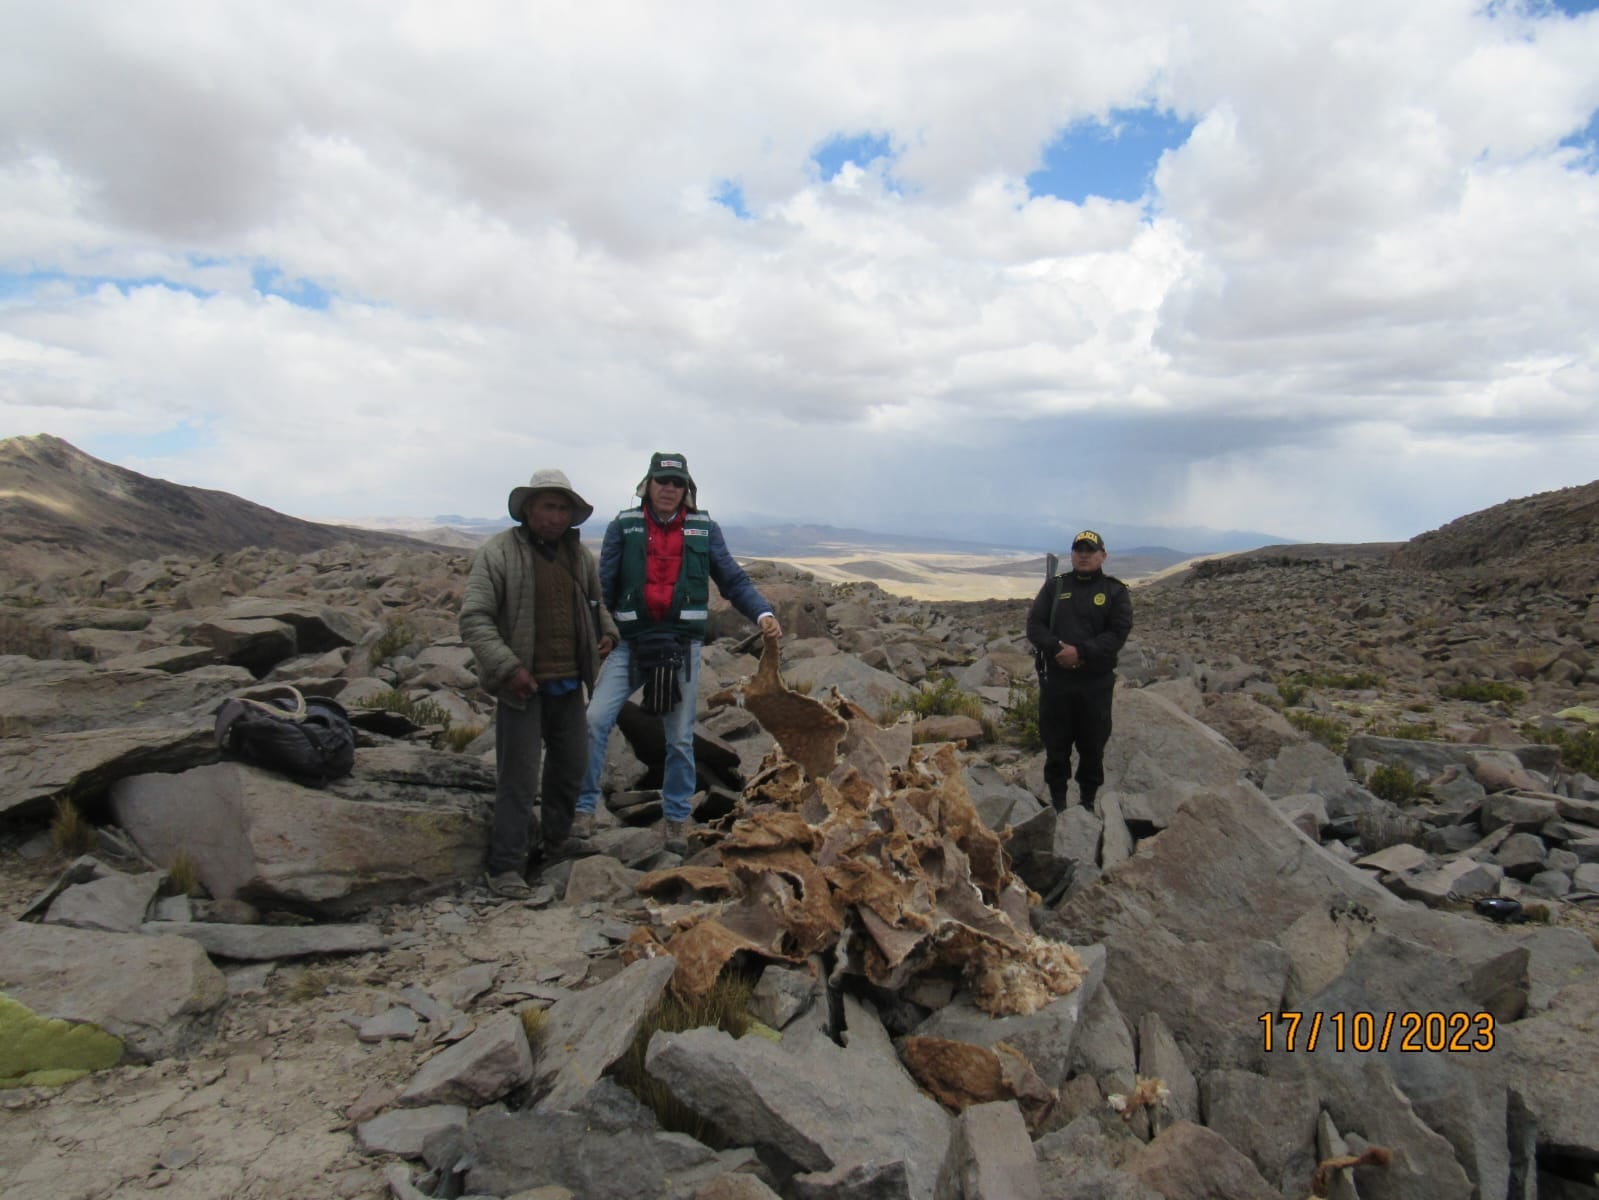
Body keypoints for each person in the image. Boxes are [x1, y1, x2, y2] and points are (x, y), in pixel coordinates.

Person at [575, 451, 781, 849]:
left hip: (680, 646)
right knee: (595, 719)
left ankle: (675, 819)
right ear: (647, 485)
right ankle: (583, 810)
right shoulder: (625, 525)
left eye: (676, 483)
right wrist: (598, 631)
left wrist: (762, 613)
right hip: (631, 642)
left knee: (680, 738)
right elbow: (602, 587)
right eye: (661, 481)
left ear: (686, 489)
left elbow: (732, 580)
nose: (668, 489)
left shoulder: (704, 529)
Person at [460, 468, 619, 899]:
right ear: (529, 508)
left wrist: (607, 632)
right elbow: (473, 618)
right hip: (522, 688)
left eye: (563, 507)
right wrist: (509, 668)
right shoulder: (498, 553)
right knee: (519, 776)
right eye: (548, 505)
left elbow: (595, 602)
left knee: (570, 767)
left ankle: (556, 840)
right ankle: (506, 865)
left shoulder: (577, 555)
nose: (556, 515)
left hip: (568, 683)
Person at [1025, 529, 1134, 812]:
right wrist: (1057, 648)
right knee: (1056, 744)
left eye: (1090, 550)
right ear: (1072, 554)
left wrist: (1082, 652)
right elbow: (1035, 625)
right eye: (1078, 550)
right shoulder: (1055, 587)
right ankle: (1058, 803)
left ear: (1103, 555)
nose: (1084, 555)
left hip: (1095, 684)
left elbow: (1118, 633)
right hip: (1057, 682)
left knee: (1092, 745)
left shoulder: (1114, 591)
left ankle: (1086, 803)